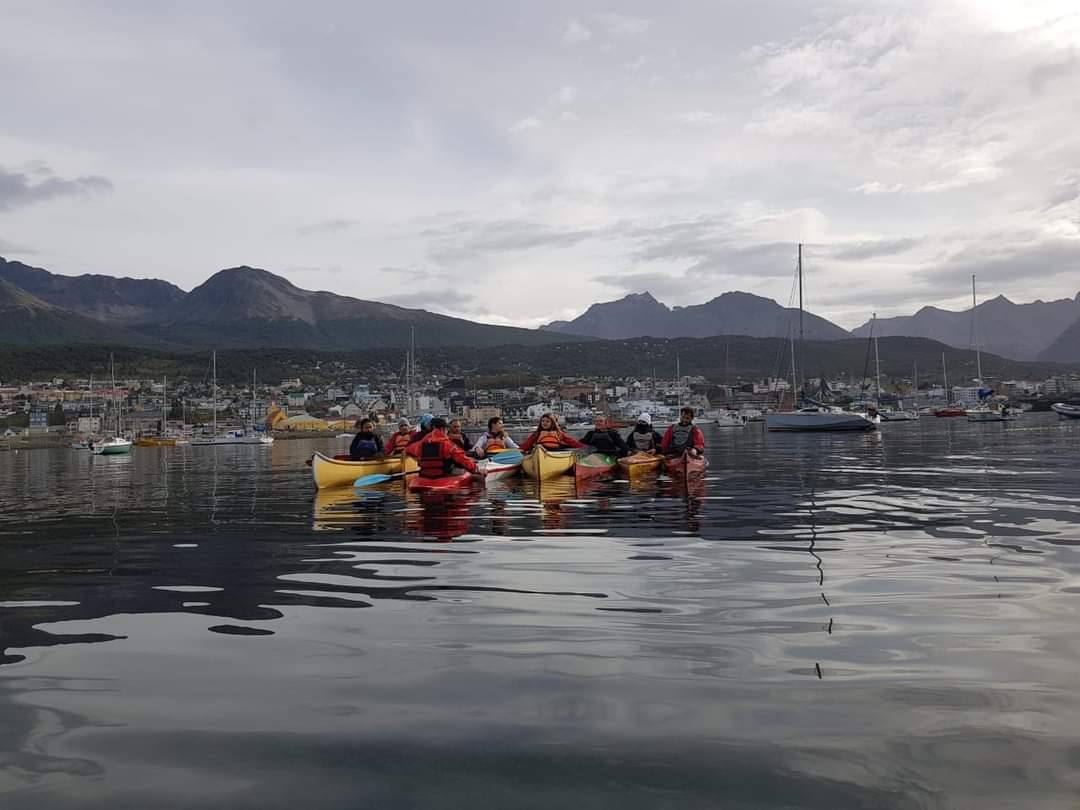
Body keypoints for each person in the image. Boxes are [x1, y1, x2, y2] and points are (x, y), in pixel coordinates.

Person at [405, 416, 478, 478]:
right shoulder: (448, 445)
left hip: (425, 476)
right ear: (443, 429)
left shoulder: (420, 444)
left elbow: (407, 449)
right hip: (443, 476)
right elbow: (462, 459)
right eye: (446, 429)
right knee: (467, 471)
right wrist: (475, 468)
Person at [518, 413, 586, 452]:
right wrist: (519, 450)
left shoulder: (559, 433)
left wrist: (583, 448)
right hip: (540, 451)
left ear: (552, 423)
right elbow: (528, 443)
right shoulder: (537, 433)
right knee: (536, 447)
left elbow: (571, 441)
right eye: (543, 421)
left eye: (547, 421)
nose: (544, 423)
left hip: (555, 452)